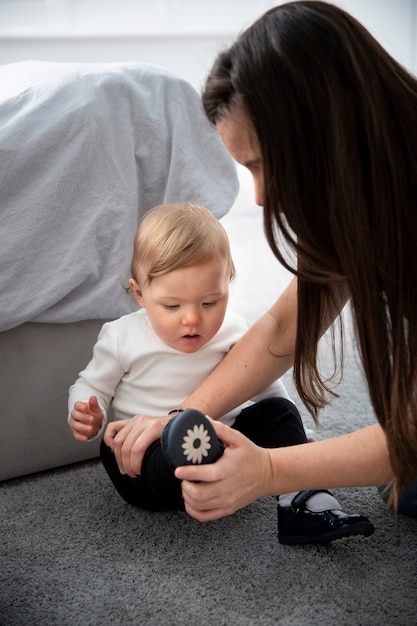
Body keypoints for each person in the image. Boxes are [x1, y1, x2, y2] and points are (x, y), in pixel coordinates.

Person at [101, 1, 417, 522]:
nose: (261, 198)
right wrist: (183, 414)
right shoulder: (361, 198)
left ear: (326, 132)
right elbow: (284, 325)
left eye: (264, 164)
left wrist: (269, 471)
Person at [69, 202, 374, 544]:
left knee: (279, 412)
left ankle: (306, 503)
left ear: (229, 283)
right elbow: (90, 385)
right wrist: (85, 411)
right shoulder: (121, 336)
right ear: (140, 293)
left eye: (210, 302)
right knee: (115, 446)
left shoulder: (232, 331)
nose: (192, 319)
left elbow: (267, 388)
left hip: (221, 448)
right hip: (146, 462)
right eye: (172, 306)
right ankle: (190, 460)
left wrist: (291, 439)